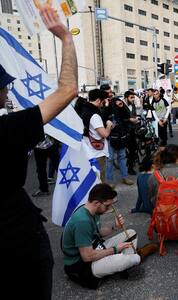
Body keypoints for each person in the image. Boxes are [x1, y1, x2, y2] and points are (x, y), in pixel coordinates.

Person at [1, 5, 78, 299]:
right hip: (19, 244)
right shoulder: (8, 129)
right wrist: (66, 39)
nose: (8, 92)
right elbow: (68, 89)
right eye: (5, 86)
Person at [63, 184, 155, 289]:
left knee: (131, 233)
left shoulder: (92, 210)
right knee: (132, 259)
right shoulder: (82, 221)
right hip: (81, 265)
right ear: (96, 203)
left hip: (95, 247)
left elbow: (98, 232)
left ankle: (123, 263)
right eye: (107, 206)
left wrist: (115, 227)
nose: (109, 208)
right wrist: (115, 249)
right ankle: (133, 258)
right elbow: (87, 257)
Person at [79, 88, 114, 182]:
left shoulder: (83, 110)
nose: (103, 104)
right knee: (99, 180)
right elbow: (105, 134)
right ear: (98, 100)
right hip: (97, 153)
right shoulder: (94, 115)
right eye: (103, 102)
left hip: (87, 149)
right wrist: (109, 125)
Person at [105, 98, 134, 186]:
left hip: (121, 137)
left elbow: (127, 116)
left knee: (122, 157)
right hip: (111, 137)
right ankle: (109, 181)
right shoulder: (107, 108)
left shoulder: (121, 108)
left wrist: (121, 106)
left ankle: (125, 177)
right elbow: (103, 118)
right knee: (110, 159)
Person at [123, 90, 139, 175]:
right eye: (131, 97)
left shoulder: (133, 105)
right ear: (126, 98)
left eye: (133, 97)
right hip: (124, 131)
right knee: (124, 151)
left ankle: (130, 167)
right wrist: (129, 119)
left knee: (133, 148)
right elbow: (120, 118)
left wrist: (136, 119)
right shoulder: (121, 105)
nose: (133, 99)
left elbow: (134, 114)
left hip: (132, 129)